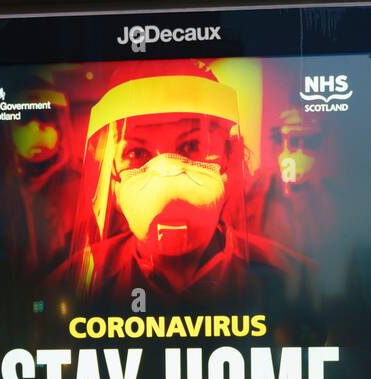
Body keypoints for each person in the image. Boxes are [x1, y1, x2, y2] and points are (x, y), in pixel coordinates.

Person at [63, 60, 310, 306]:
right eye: (137, 153)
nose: (167, 172)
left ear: (231, 159)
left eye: (192, 145)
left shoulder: (293, 281)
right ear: (112, 178)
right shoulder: (77, 281)